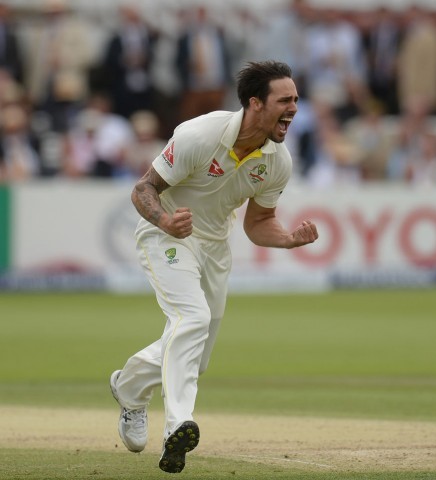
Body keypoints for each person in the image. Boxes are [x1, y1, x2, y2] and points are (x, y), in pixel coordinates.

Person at [109, 60, 319, 473]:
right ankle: (178, 426)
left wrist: (290, 239)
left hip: (215, 247)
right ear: (255, 103)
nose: (294, 108)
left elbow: (258, 225)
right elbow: (143, 189)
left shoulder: (277, 161)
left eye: (296, 99)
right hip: (167, 234)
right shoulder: (199, 135)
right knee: (192, 318)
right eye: (285, 100)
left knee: (196, 353)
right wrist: (166, 221)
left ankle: (129, 389)